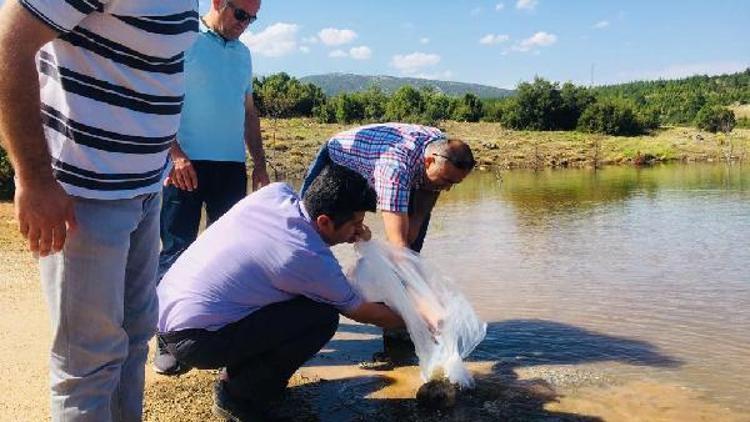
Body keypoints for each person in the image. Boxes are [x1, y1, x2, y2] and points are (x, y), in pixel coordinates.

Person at [0, 0, 198, 420]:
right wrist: (34, 179)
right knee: (87, 364)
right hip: (84, 196)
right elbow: (8, 43)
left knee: (132, 339)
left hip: (145, 190)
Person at [157, 164, 404, 421]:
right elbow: (363, 311)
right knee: (322, 317)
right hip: (195, 340)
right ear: (324, 221)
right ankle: (238, 394)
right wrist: (416, 321)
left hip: (166, 311)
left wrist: (353, 233)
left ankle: (246, 376)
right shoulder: (306, 256)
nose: (360, 230)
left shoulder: (276, 194)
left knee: (301, 298)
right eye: (356, 223)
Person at [153, 0, 269, 375]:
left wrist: (260, 166)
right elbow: (159, 98)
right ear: (218, 2)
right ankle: (168, 341)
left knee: (226, 255)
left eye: (252, 18)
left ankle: (218, 334)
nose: (246, 24)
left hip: (231, 168)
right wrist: (175, 154)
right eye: (240, 15)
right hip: (184, 164)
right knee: (177, 252)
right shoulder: (185, 38)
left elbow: (248, 113)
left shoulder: (244, 54)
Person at [300, 123, 475, 362]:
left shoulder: (440, 147)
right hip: (341, 158)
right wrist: (427, 307)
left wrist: (414, 283)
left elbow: (417, 222)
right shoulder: (395, 169)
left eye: (454, 184)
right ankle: (301, 312)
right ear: (429, 162)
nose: (446, 188)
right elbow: (398, 248)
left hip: (393, 164)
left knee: (411, 253)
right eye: (445, 180)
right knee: (308, 235)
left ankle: (398, 336)